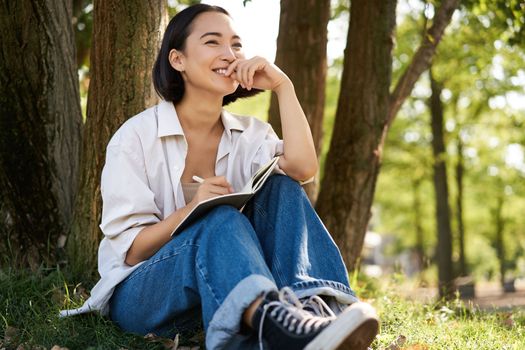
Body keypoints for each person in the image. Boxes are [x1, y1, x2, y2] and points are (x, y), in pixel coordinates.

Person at [60, 4, 379, 350]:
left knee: (281, 185)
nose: (229, 54)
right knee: (220, 217)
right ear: (177, 60)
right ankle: (279, 327)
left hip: (220, 291)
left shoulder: (250, 135)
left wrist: (283, 86)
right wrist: (194, 209)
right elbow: (132, 252)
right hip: (144, 295)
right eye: (213, 42)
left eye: (236, 45)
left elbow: (303, 169)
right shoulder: (135, 137)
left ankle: (314, 314)